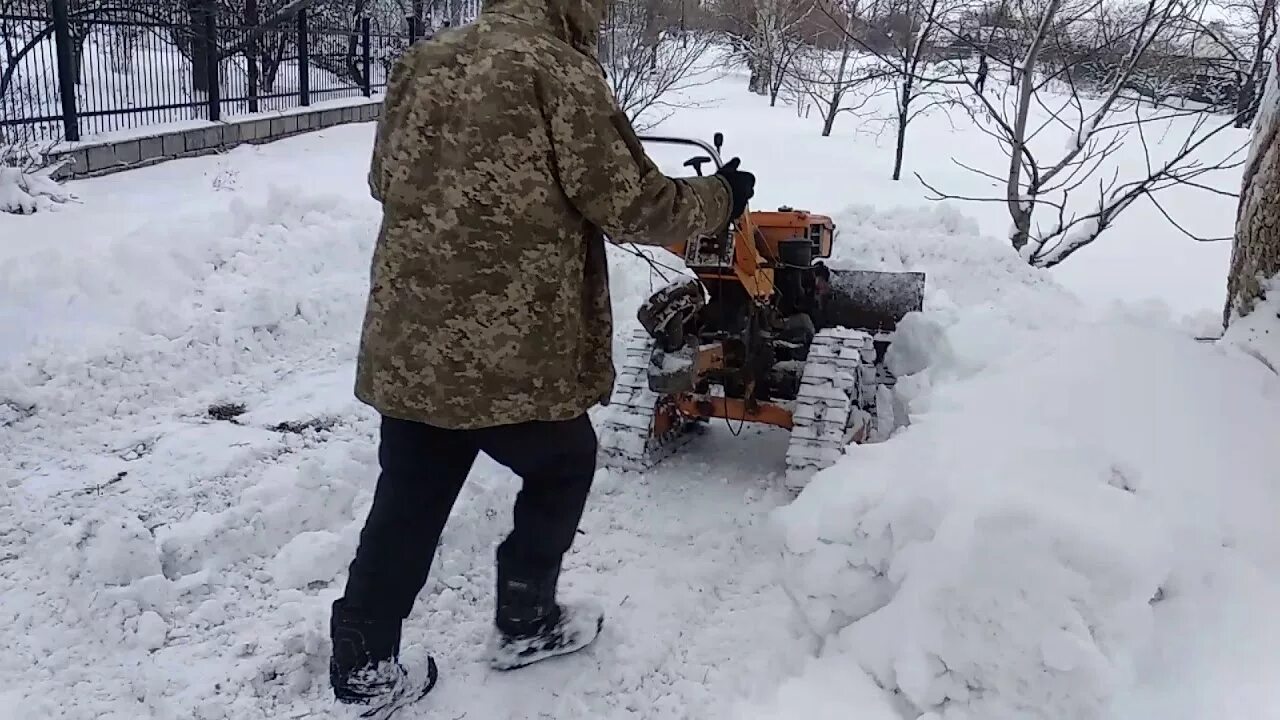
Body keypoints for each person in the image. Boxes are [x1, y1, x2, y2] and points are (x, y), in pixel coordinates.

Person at [328, 0, 757, 713]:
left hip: (413, 341)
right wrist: (722, 195)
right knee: (563, 464)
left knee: (409, 495)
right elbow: (632, 203)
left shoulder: (422, 61)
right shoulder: (559, 70)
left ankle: (364, 663)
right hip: (509, 351)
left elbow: (384, 181)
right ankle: (525, 620)